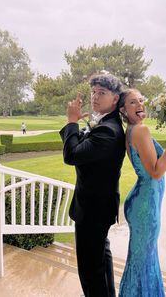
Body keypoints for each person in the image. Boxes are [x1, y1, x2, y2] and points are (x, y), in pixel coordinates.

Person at [59, 73, 125, 297]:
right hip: (99, 206)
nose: (95, 97)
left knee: (89, 270)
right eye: (93, 92)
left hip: (93, 209)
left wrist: (71, 121)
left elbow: (72, 155)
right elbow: (79, 148)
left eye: (102, 93)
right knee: (100, 258)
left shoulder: (109, 130)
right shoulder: (106, 122)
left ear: (115, 98)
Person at [118, 89, 166, 297]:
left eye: (141, 100)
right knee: (142, 263)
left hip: (143, 200)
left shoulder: (132, 129)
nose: (140, 105)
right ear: (123, 109)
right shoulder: (140, 131)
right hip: (145, 206)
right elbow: (156, 172)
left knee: (143, 259)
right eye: (132, 103)